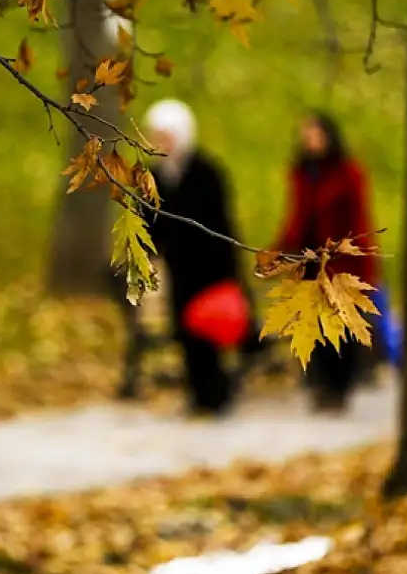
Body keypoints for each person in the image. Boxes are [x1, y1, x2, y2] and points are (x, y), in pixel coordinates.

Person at [142, 98, 267, 416]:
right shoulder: (152, 176)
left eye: (166, 135)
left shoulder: (207, 171)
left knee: (210, 330)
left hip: (211, 266)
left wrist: (228, 270)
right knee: (186, 331)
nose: (161, 142)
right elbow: (149, 224)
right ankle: (198, 393)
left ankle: (216, 393)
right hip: (179, 267)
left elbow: (221, 222)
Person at [271, 112, 385, 413]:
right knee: (313, 323)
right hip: (310, 263)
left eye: (315, 133)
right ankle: (320, 385)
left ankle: (340, 388)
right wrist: (279, 251)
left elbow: (358, 219)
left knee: (343, 327)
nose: (310, 140)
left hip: (344, 262)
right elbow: (296, 217)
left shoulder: (348, 173)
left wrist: (363, 259)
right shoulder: (303, 174)